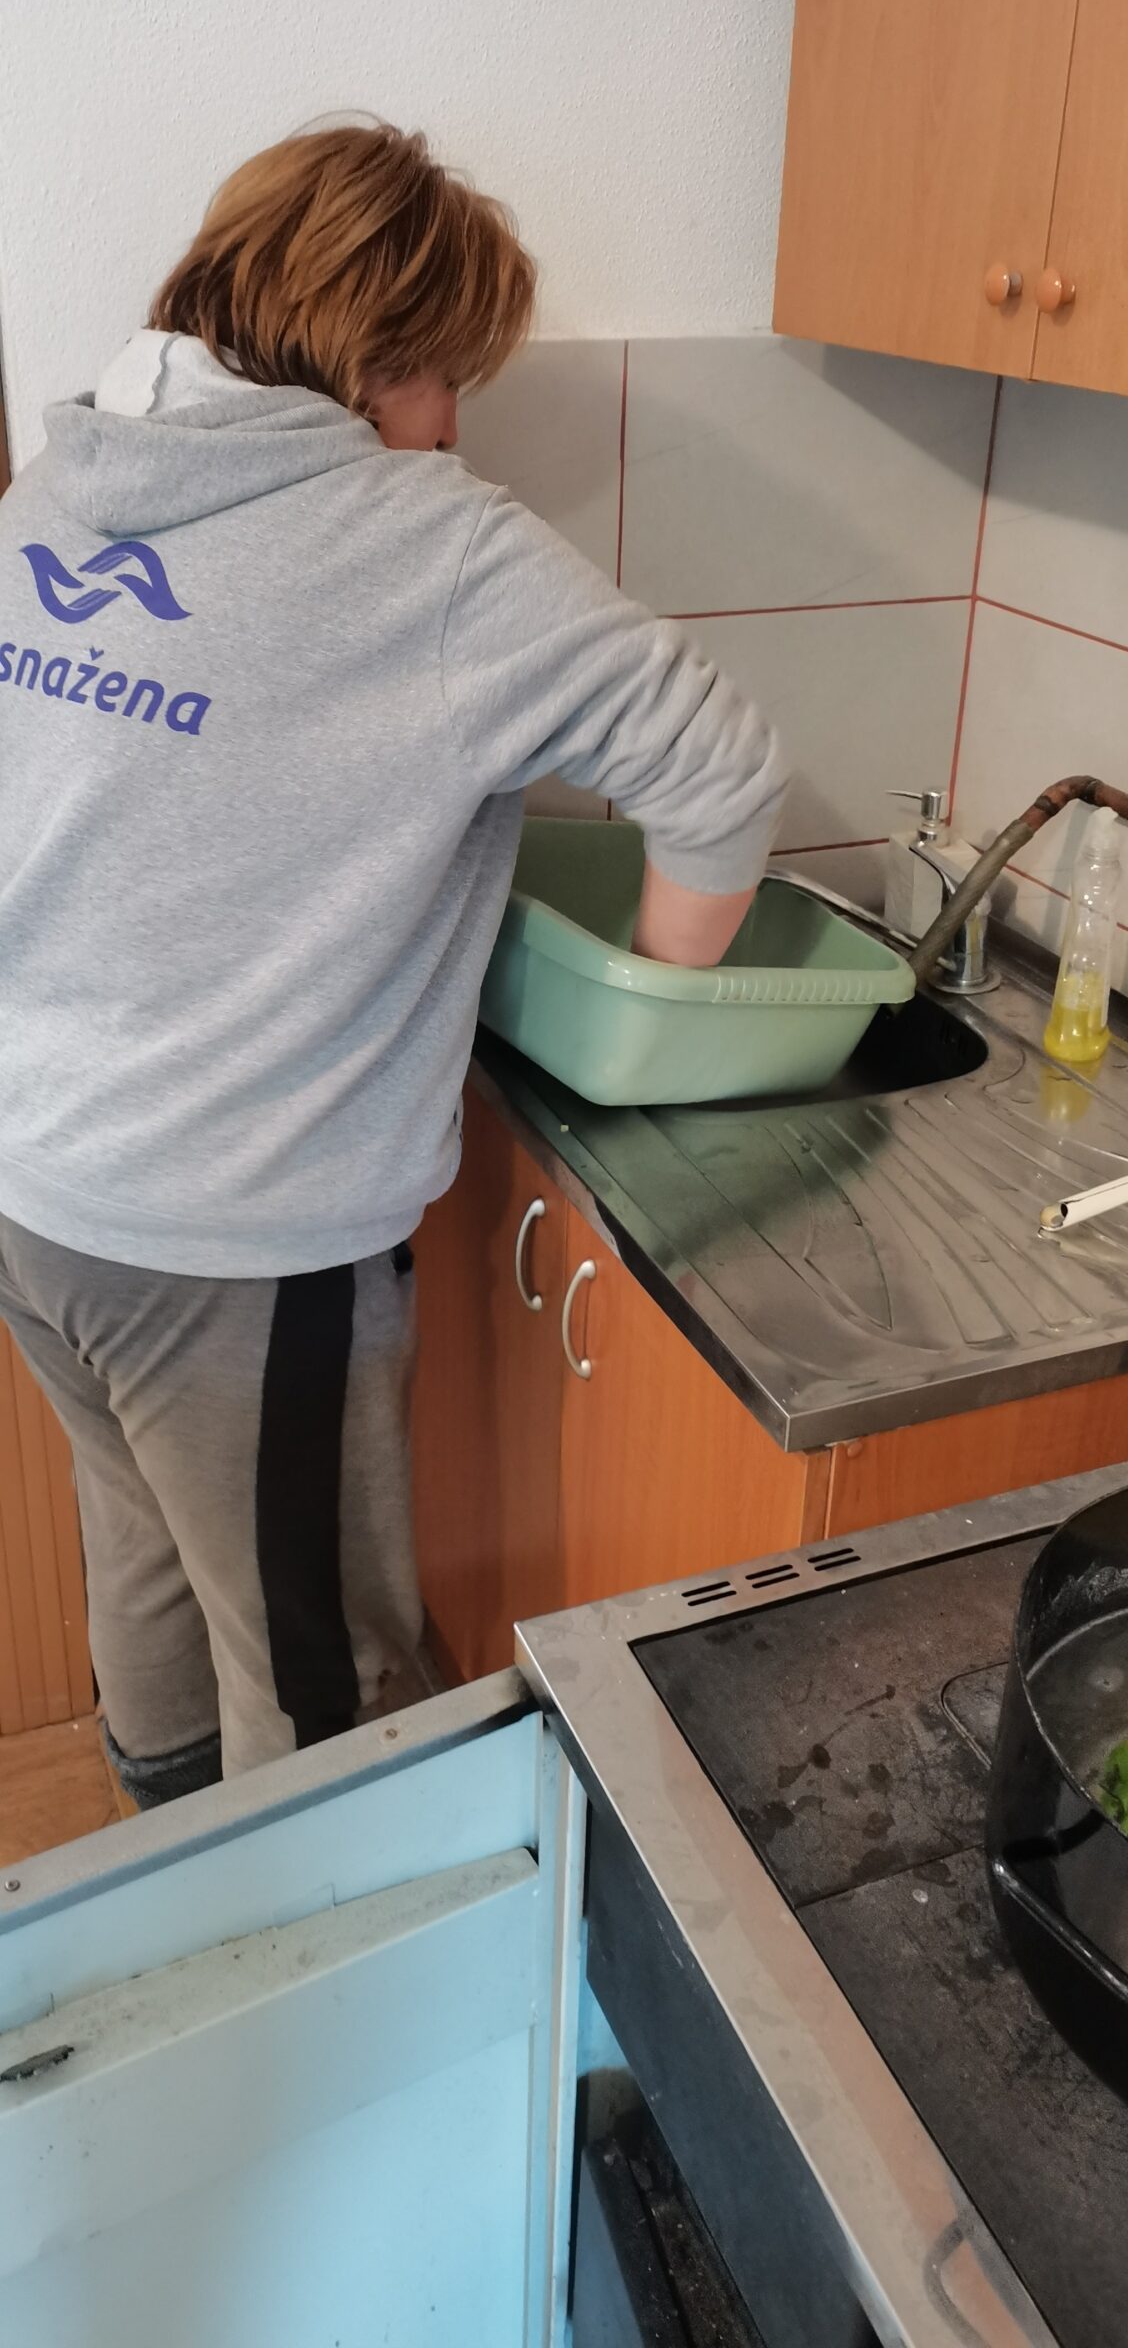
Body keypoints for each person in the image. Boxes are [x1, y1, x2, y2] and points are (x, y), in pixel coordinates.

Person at [0, 121, 787, 1806]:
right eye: (449, 381)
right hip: (241, 1231)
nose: (455, 427)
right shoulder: (428, 545)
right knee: (319, 1664)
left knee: (149, 1551)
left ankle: (160, 1867)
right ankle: (304, 1927)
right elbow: (722, 773)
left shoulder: (64, 487)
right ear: (377, 355)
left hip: (37, 1186)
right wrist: (652, 1021)